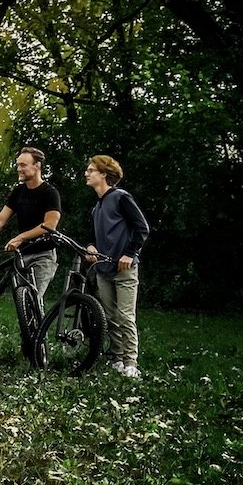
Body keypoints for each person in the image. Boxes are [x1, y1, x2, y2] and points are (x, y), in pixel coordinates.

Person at [0, 146, 62, 306]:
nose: (19, 169)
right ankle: (28, 331)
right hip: (21, 255)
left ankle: (39, 331)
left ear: (37, 166)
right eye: (18, 165)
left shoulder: (50, 193)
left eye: (23, 165)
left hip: (43, 255)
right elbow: (1, 219)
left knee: (34, 302)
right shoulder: (19, 191)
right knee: (22, 305)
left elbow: (50, 225)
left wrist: (20, 237)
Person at [84, 155, 150, 378]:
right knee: (110, 316)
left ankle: (131, 362)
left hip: (124, 269)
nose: (87, 173)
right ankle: (117, 358)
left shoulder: (121, 198)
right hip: (103, 269)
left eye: (91, 170)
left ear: (104, 174)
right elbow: (93, 236)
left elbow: (142, 228)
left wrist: (129, 254)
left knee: (125, 316)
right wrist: (91, 247)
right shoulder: (97, 207)